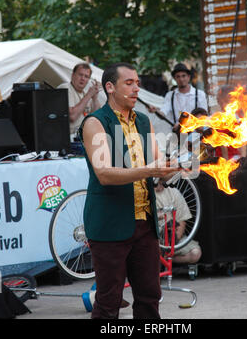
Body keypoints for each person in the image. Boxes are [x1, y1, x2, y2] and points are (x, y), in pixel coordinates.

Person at [80, 62, 181, 319]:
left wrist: (184, 161)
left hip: (144, 225)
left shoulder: (143, 121)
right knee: (108, 302)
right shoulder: (95, 122)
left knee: (149, 298)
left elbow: (160, 166)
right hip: (110, 224)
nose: (137, 88)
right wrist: (152, 170)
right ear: (110, 87)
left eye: (137, 83)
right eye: (129, 83)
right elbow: (104, 173)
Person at [148, 63, 208, 132]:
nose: (181, 79)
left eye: (183, 76)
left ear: (188, 77)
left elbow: (203, 118)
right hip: (177, 137)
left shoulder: (200, 94)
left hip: (195, 136)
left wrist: (181, 125)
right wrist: (155, 110)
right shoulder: (170, 95)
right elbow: (163, 112)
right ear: (174, 78)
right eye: (178, 76)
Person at [155, 179, 201, 264]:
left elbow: (182, 221)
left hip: (173, 238)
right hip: (152, 240)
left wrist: (171, 243)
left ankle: (164, 261)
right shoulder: (143, 195)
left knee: (195, 253)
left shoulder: (173, 193)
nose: (160, 185)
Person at [57, 63, 102, 141]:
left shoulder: (85, 93)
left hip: (83, 138)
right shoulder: (65, 88)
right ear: (73, 75)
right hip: (67, 139)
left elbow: (96, 118)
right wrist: (89, 95)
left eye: (86, 76)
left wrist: (95, 97)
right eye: (80, 75)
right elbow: (72, 116)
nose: (83, 78)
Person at [215, 85, 246, 160]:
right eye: (223, 100)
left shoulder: (238, 119)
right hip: (220, 160)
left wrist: (244, 159)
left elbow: (243, 143)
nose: (225, 103)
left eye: (229, 100)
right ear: (218, 100)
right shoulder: (215, 119)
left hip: (236, 158)